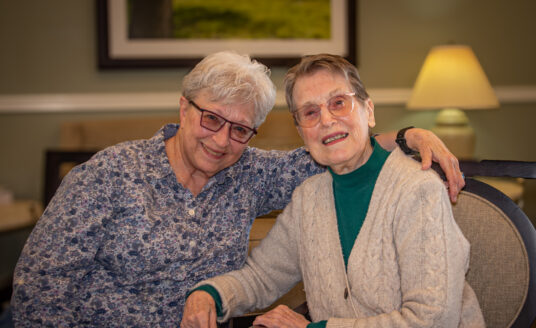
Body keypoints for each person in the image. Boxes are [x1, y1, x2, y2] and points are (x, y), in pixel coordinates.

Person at [11, 52, 463, 327]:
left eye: (241, 129)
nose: (223, 140)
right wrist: (210, 291)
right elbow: (40, 289)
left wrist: (409, 136)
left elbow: (341, 146)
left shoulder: (251, 173)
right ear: (184, 108)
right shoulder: (110, 173)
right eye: (211, 119)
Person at [181, 54, 484, 328]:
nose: (326, 120)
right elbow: (262, 276)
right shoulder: (309, 198)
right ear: (301, 132)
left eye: (338, 103)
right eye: (310, 112)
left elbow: (433, 320)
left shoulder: (418, 191)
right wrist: (210, 294)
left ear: (369, 111)